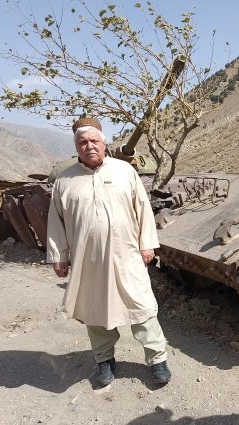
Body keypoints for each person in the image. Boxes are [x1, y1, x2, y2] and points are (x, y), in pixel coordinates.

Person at [46, 117, 171, 387]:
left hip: (126, 255)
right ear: (76, 146)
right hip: (87, 260)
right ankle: (104, 361)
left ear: (104, 143)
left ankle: (157, 359)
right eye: (83, 142)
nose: (89, 146)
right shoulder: (65, 180)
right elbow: (56, 222)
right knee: (95, 310)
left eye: (94, 141)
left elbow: (143, 209)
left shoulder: (125, 171)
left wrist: (147, 242)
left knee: (142, 308)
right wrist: (58, 256)